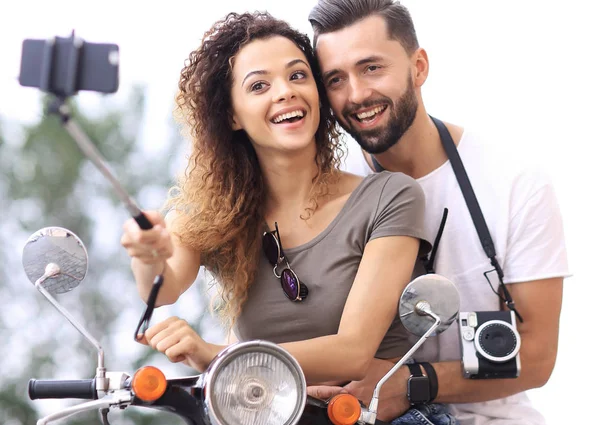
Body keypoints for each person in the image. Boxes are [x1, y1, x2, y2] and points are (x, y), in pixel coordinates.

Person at [120, 10, 437, 404]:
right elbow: (161, 288)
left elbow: (353, 352)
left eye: (298, 75)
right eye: (259, 86)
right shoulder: (210, 214)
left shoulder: (390, 196)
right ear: (232, 115)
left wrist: (219, 357)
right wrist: (146, 254)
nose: (284, 91)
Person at [306, 1, 569, 424]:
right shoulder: (320, 195)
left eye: (372, 68)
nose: (355, 95)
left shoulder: (515, 183)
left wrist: (414, 382)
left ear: (419, 67)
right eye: (336, 79)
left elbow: (536, 356)